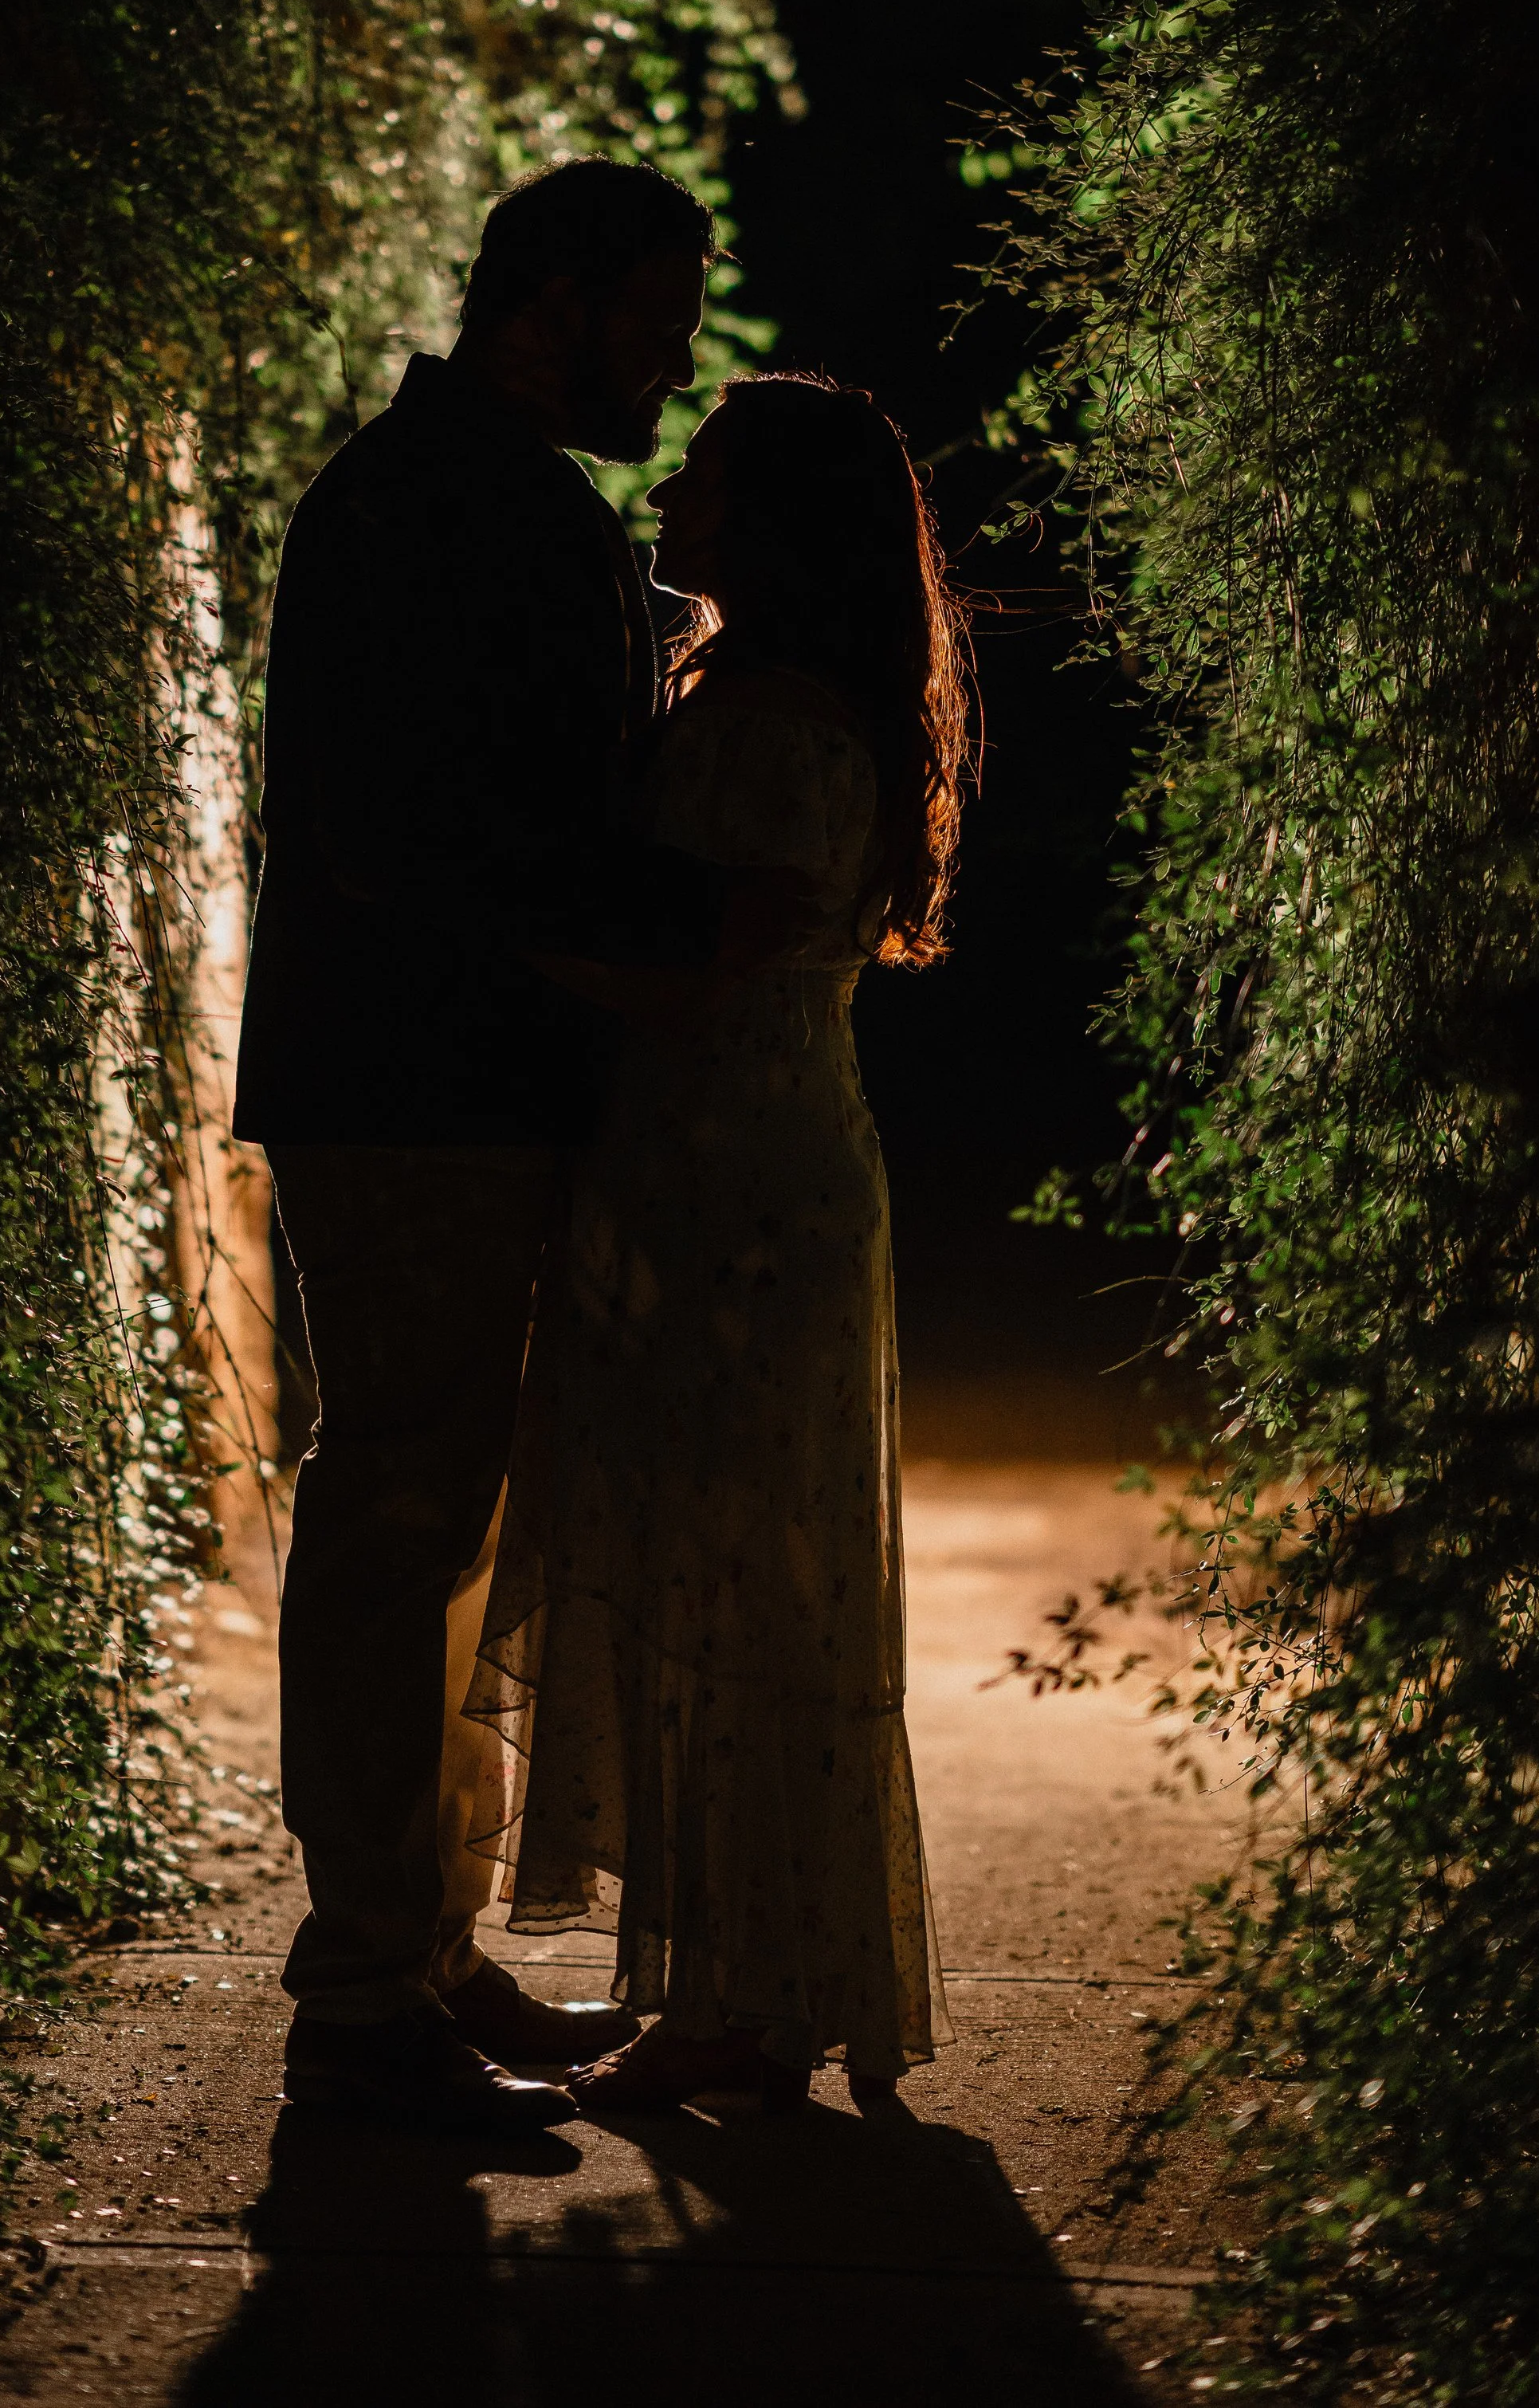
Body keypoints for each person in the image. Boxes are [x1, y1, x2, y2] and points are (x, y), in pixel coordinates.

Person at [233, 156, 719, 2133]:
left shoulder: (452, 496)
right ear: (555, 302)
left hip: (426, 1075)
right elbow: (431, 824)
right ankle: (362, 1991)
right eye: (657, 322)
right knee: (401, 1511)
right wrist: (688, 917)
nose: (673, 368)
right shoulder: (452, 507)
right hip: (415, 1080)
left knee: (431, 1512)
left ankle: (408, 1954)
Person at [464, 373, 970, 2113]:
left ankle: (744, 2005)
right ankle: (749, 1989)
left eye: (704, 478)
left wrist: (499, 946)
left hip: (725, 1185)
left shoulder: (766, 726)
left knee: (734, 1593)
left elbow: (705, 961)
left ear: (770, 521)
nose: (668, 497)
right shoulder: (800, 706)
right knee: (749, 1593)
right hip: (757, 1164)